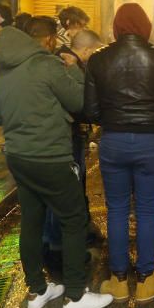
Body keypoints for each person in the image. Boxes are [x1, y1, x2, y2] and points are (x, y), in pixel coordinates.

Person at [0, 17, 112, 308]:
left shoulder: (2, 72)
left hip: (18, 156)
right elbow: (77, 101)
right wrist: (75, 72)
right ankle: (74, 295)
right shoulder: (47, 65)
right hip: (50, 156)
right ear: (46, 40)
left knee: (31, 220)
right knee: (73, 218)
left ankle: (38, 290)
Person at [85, 3, 154, 304]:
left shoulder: (99, 60)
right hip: (152, 142)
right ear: (145, 27)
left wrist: (113, 119)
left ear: (116, 27)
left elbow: (90, 109)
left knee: (116, 210)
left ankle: (117, 280)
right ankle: (146, 280)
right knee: (147, 210)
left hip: (113, 141)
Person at [43, 29, 104, 264]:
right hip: (66, 135)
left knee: (61, 190)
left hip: (62, 135)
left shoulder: (61, 61)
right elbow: (80, 100)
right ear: (87, 49)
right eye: (93, 52)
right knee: (67, 191)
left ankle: (52, 240)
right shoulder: (66, 64)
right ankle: (59, 248)